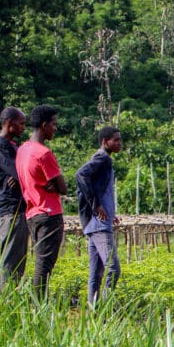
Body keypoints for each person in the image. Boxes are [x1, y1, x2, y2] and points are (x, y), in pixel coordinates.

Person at [15, 105, 67, 299]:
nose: (55, 128)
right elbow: (63, 187)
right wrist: (55, 185)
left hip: (33, 214)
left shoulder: (22, 150)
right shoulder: (44, 154)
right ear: (44, 126)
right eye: (53, 124)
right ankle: (38, 307)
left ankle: (37, 304)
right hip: (49, 214)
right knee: (43, 267)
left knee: (40, 262)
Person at [75, 126, 123, 305]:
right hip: (98, 224)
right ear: (105, 141)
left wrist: (109, 212)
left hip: (96, 223)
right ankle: (104, 308)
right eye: (115, 140)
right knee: (113, 269)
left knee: (95, 273)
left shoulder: (105, 160)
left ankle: (93, 312)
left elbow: (101, 189)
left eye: (120, 140)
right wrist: (96, 206)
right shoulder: (102, 158)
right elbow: (81, 175)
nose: (119, 143)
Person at [0, 107, 29, 288]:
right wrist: (19, 175)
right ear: (9, 123)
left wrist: (20, 175)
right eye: (20, 124)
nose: (23, 128)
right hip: (12, 208)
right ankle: (6, 300)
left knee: (18, 257)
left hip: (19, 207)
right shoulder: (0, 146)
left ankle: (11, 295)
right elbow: (17, 172)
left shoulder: (11, 145)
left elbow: (20, 173)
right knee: (11, 258)